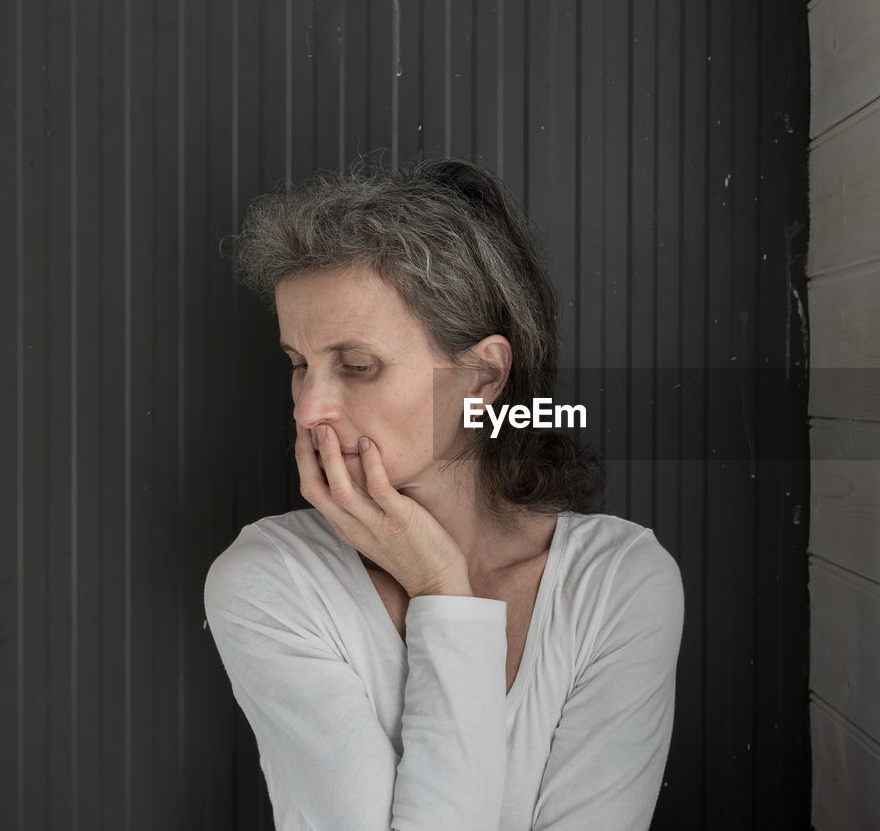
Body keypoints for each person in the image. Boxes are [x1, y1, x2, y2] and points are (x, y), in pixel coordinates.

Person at [203, 158, 684, 830]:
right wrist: (441, 587)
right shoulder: (270, 584)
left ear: (484, 375)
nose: (309, 409)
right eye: (298, 365)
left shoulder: (619, 585)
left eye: (357, 365)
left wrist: (441, 590)